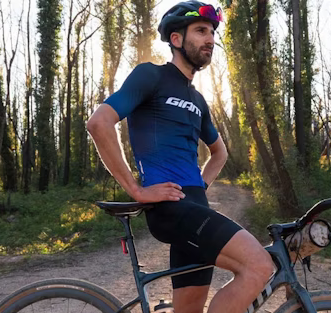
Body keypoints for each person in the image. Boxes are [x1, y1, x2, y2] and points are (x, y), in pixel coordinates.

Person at [85, 1, 274, 312]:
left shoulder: (198, 99)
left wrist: (199, 186)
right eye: (200, 31)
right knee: (259, 266)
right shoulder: (151, 76)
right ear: (176, 39)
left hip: (195, 209)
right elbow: (99, 123)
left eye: (212, 32)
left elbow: (219, 152)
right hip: (171, 211)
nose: (210, 39)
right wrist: (136, 189)